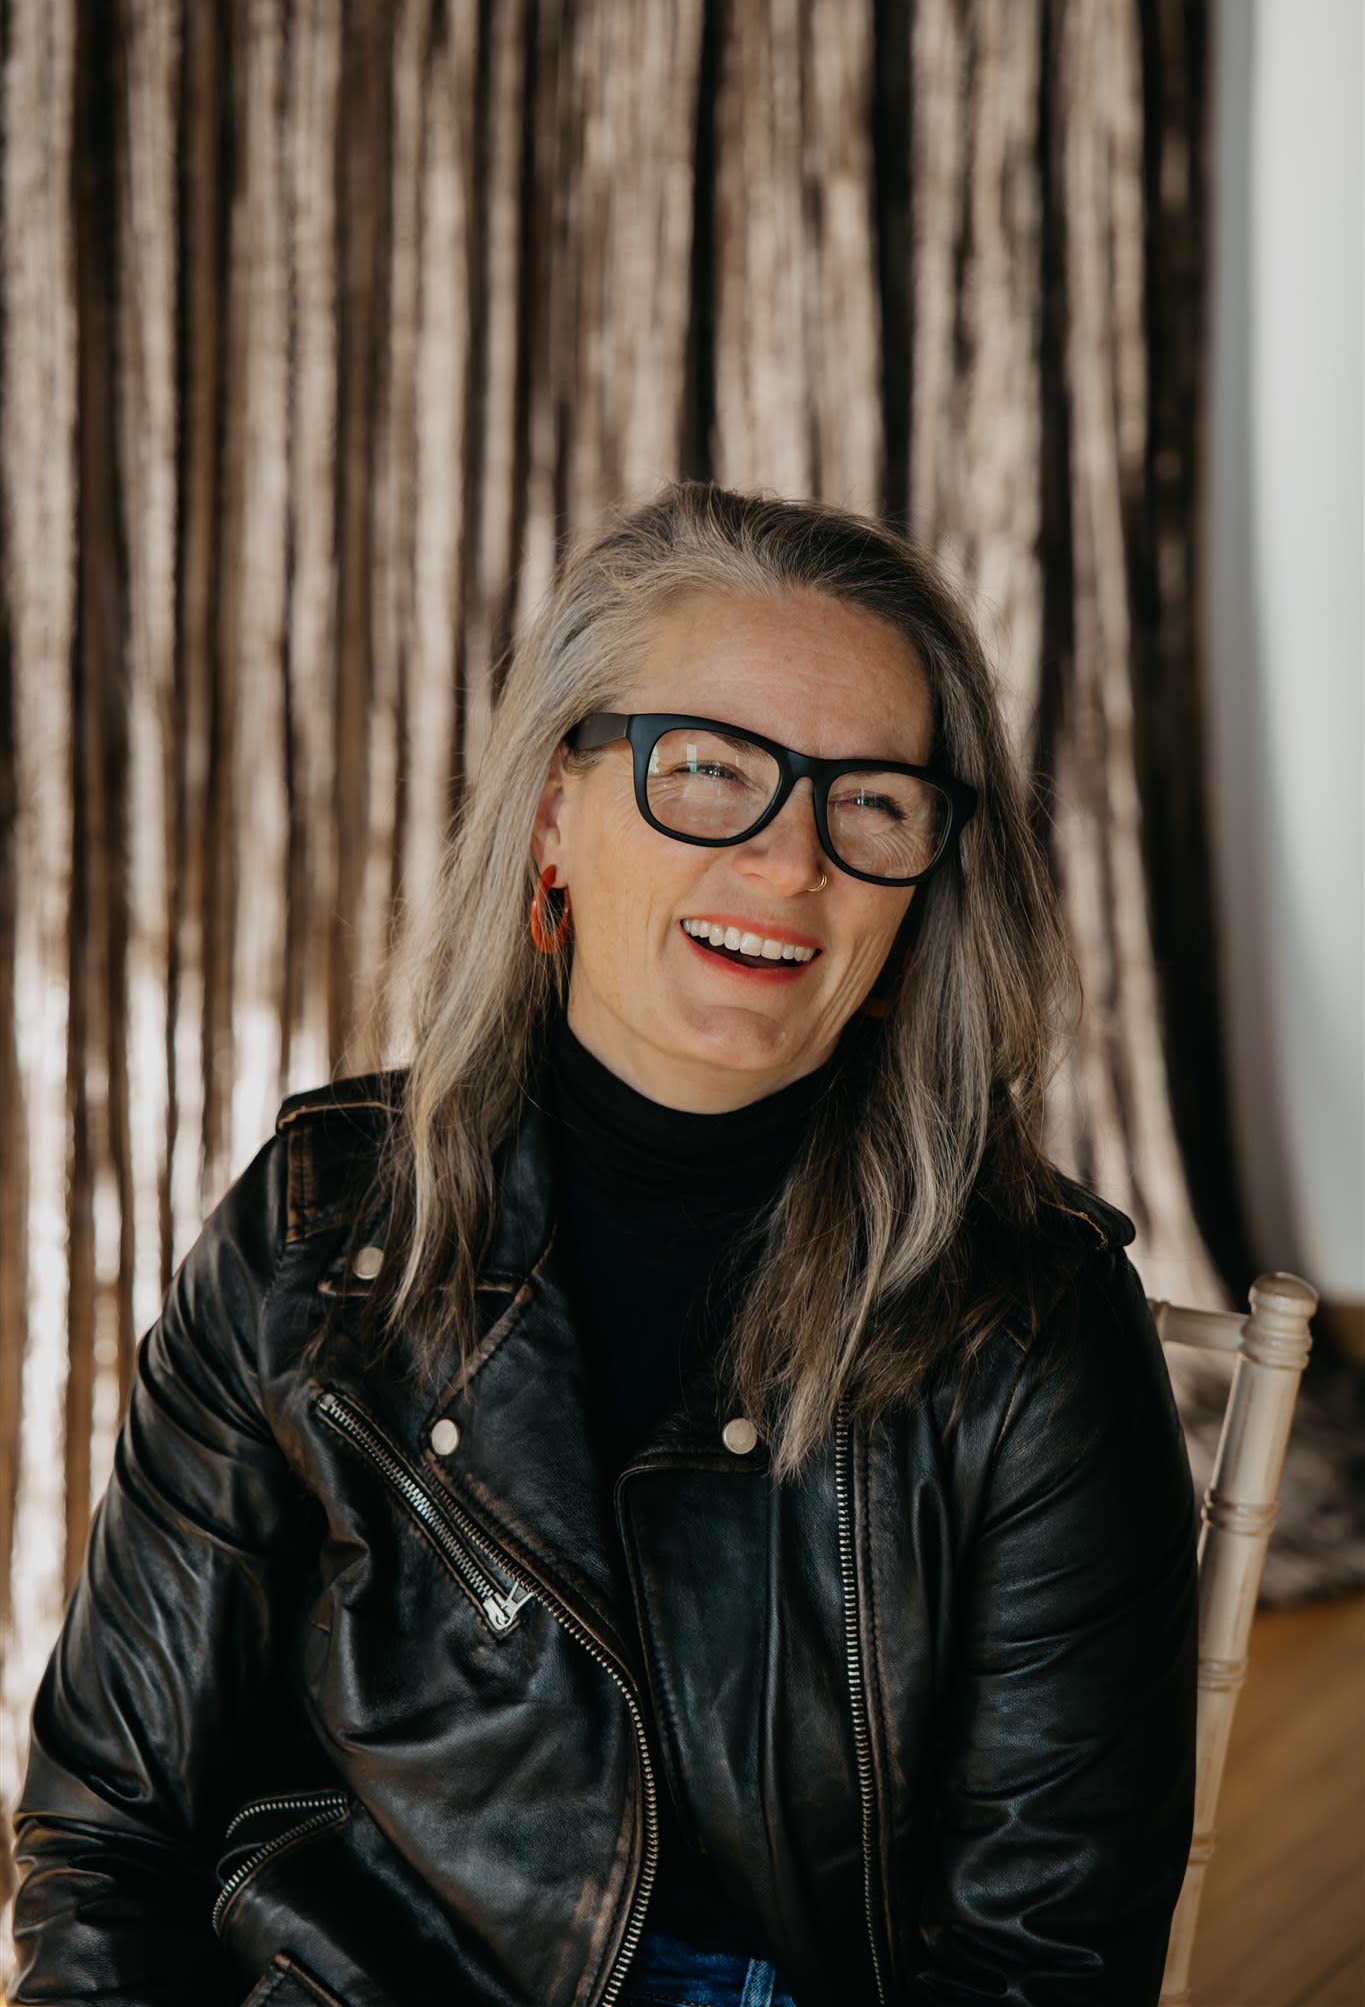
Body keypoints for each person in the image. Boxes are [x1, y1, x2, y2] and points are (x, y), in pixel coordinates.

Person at [11, 482, 1198, 2007]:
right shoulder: (320, 1225)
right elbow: (110, 1836)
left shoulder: (1030, 1322)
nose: (791, 861)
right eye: (707, 771)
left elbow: (1039, 1967)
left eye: (870, 803)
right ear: (552, 818)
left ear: (923, 893)